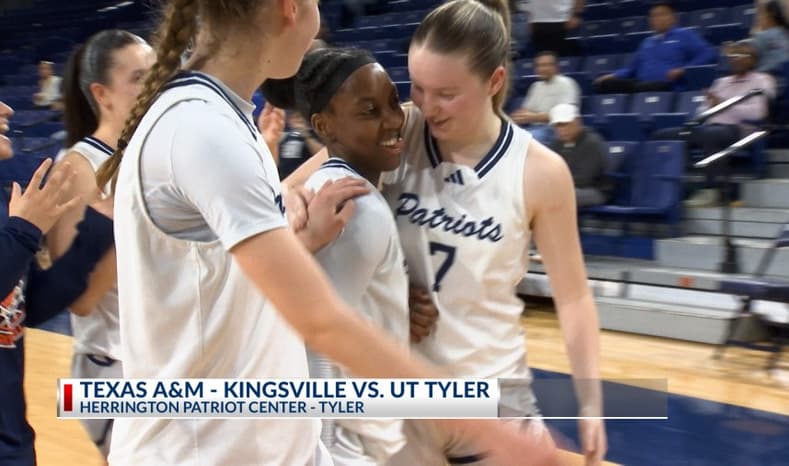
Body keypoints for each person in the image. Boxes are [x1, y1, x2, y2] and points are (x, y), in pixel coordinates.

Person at [94, 1, 559, 465]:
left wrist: (301, 239)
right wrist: (486, 428)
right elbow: (321, 322)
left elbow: (220, 287)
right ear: (288, 9)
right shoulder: (202, 129)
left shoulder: (219, 120)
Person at [287, 1, 606, 465]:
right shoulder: (398, 130)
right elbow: (287, 195)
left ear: (494, 81)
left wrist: (592, 403)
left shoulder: (540, 172)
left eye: (446, 93)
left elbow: (574, 297)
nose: (426, 106)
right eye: (417, 87)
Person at [262, 45, 410, 465]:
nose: (394, 120)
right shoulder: (354, 207)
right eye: (369, 111)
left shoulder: (332, 189)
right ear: (324, 126)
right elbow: (319, 346)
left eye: (393, 103)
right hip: (343, 444)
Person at [47, 29, 155, 460]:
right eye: (139, 78)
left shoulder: (147, 156)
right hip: (111, 367)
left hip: (161, 359)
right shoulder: (77, 168)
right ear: (102, 93)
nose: (154, 88)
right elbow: (82, 300)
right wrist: (120, 226)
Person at [0, 100, 114, 466]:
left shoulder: (5, 201)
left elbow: (26, 307)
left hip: (14, 437)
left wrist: (98, 229)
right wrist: (24, 232)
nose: (7, 109)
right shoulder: (17, 219)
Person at [651, 42, 776, 207]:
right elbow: (701, 111)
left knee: (711, 135)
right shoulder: (721, 82)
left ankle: (714, 190)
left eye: (740, 56)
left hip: (740, 130)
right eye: (732, 57)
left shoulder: (762, 80)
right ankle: (675, 187)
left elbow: (758, 112)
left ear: (752, 60)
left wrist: (724, 104)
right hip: (710, 127)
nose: (734, 60)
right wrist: (709, 106)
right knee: (662, 135)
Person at [594, 1, 716, 94]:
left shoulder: (684, 35)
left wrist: (684, 69)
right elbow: (631, 69)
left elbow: (708, 53)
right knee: (604, 84)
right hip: (641, 85)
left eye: (662, 14)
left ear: (673, 17)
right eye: (653, 16)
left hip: (667, 86)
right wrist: (612, 76)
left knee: (645, 87)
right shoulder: (646, 42)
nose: (657, 19)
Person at [510, 51, 580, 145]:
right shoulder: (535, 86)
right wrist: (516, 118)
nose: (543, 69)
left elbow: (566, 116)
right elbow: (526, 111)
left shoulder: (566, 84)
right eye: (539, 66)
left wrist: (535, 117)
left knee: (525, 140)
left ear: (556, 67)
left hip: (556, 129)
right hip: (534, 128)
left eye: (547, 65)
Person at [549, 104, 611, 208]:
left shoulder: (592, 142)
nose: (562, 129)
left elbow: (584, 179)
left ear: (578, 121)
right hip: (566, 188)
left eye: (565, 124)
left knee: (558, 195)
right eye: (558, 125)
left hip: (594, 190)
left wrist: (555, 185)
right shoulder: (556, 144)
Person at [747, 0, 789, 73]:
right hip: (786, 77)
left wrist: (753, 34)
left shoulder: (763, 36)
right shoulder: (787, 34)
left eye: (760, 13)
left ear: (770, 15)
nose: (757, 18)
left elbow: (744, 55)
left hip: (766, 77)